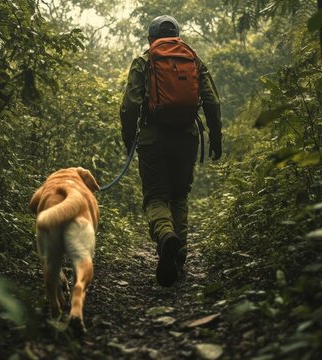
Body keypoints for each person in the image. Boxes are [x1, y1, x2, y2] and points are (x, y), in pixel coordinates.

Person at [120, 15, 222, 287]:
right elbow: (212, 100)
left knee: (155, 197)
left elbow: (129, 106)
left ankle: (166, 236)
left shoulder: (143, 61)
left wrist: (129, 140)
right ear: (177, 35)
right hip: (187, 137)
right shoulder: (194, 59)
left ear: (150, 38)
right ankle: (179, 255)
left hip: (153, 140)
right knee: (179, 196)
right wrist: (216, 138)